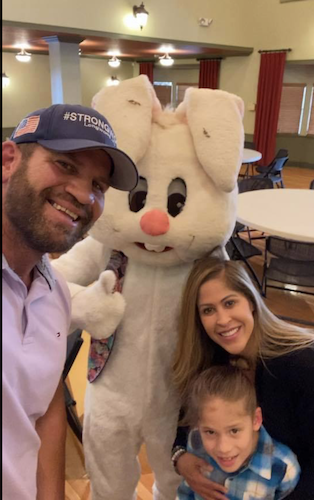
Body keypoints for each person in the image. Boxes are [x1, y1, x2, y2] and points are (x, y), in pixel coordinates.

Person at [2, 103, 138, 500]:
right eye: (65, 166)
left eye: (98, 186)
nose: (82, 194)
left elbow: (45, 406)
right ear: (8, 160)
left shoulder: (54, 291)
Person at [172, 256, 314, 500]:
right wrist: (180, 457)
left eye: (229, 303)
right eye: (208, 310)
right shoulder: (211, 362)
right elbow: (187, 422)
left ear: (250, 301)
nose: (223, 320)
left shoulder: (301, 364)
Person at [177, 365, 300, 500]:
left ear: (256, 419)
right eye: (210, 432)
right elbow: (185, 493)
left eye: (234, 430)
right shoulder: (196, 444)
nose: (223, 448)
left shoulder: (284, 469)